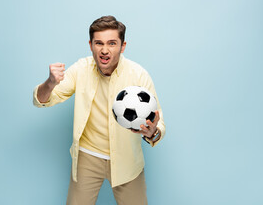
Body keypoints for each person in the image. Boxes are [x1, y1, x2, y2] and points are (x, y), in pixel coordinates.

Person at [33, 15, 165, 205]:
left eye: (112, 43)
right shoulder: (81, 69)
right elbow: (43, 100)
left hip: (126, 158)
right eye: (99, 43)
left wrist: (153, 132)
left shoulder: (138, 75)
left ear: (123, 46)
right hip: (88, 156)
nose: (104, 50)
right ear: (90, 45)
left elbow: (159, 122)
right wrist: (50, 83)